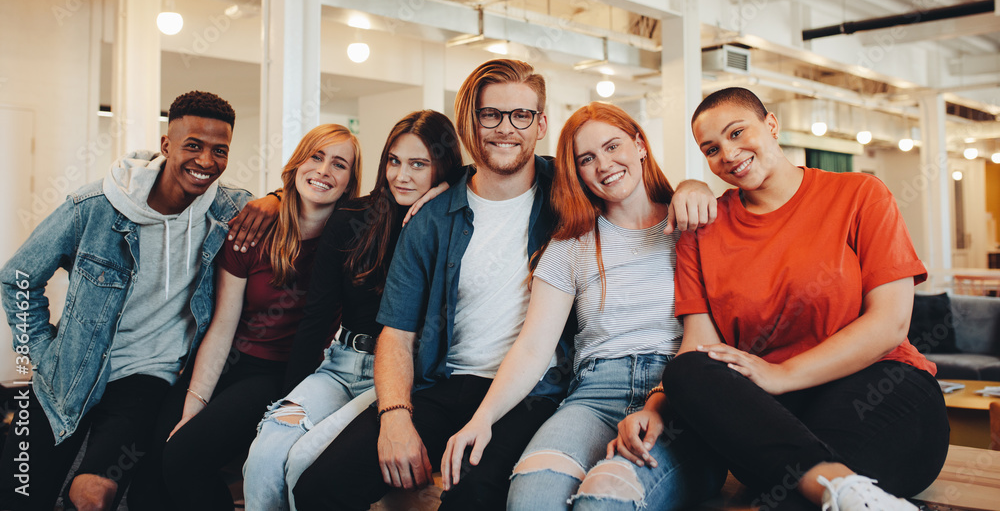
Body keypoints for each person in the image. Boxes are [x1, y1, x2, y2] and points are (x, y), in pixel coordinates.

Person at [294, 59, 716, 511]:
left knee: (474, 496)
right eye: (490, 114)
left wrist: (695, 184)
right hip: (442, 383)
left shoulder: (569, 194)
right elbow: (396, 335)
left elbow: (630, 181)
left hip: (534, 391)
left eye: (522, 116)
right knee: (319, 487)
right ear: (470, 123)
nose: (505, 129)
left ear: (540, 124)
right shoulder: (431, 219)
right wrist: (395, 417)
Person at [611, 87, 950, 511]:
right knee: (687, 372)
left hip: (883, 386)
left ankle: (831, 486)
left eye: (737, 133)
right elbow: (698, 345)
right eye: (711, 149)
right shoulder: (702, 230)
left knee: (789, 492)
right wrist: (657, 406)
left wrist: (783, 373)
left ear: (771, 124)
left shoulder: (860, 194)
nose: (728, 154)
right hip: (777, 418)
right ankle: (842, 489)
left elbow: (890, 323)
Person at [0, 91, 280, 511]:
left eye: (219, 151)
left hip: (148, 378)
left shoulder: (231, 211)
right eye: (193, 146)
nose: (206, 161)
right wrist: (42, 351)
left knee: (93, 495)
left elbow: (306, 199)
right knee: (18, 496)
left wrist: (275, 197)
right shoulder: (93, 206)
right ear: (166, 145)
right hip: (68, 370)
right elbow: (17, 277)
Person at [440, 101, 723, 511]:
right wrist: (482, 418)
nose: (604, 164)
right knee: (529, 501)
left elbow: (712, 331)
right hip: (593, 395)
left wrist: (696, 185)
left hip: (679, 394)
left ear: (640, 144)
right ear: (576, 172)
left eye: (612, 146)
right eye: (587, 159)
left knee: (601, 503)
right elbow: (534, 347)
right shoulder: (569, 245)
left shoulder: (690, 226)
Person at [126, 124, 361, 511]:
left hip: (281, 374)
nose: (323, 171)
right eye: (316, 157)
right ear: (298, 163)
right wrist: (194, 404)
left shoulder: (352, 238)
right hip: (227, 361)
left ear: (350, 181)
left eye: (339, 164)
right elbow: (223, 325)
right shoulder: (255, 228)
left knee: (183, 459)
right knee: (151, 475)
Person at [242, 110, 462, 511]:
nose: (402, 176)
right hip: (341, 362)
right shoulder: (353, 219)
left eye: (419, 165)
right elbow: (315, 315)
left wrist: (449, 186)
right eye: (394, 161)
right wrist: (294, 390)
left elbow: (501, 172)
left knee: (304, 463)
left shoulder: (449, 224)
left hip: (399, 375)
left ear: (442, 168)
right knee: (266, 452)